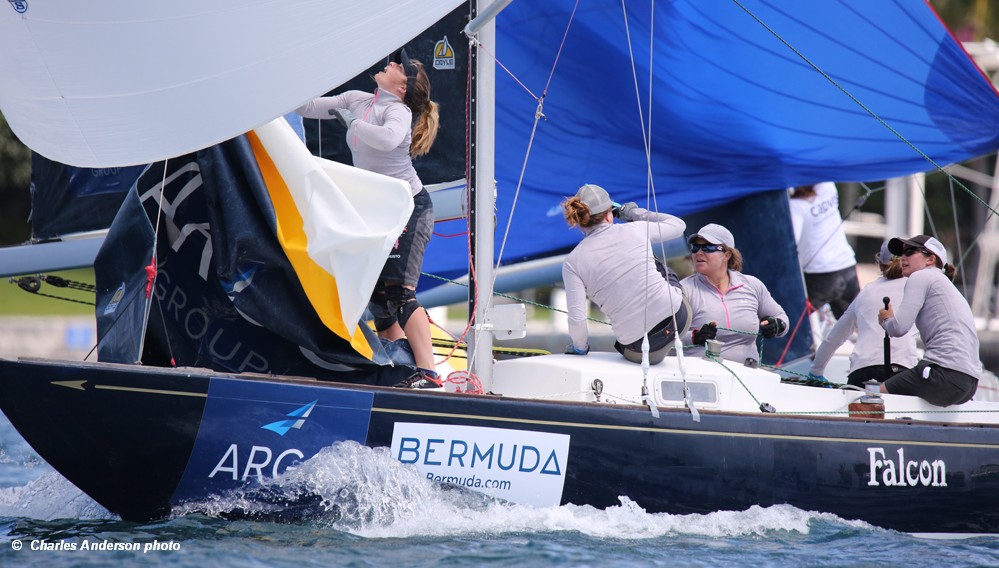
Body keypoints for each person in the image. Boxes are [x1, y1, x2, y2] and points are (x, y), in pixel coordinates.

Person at [296, 48, 441, 388]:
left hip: (411, 208)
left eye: (399, 66)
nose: (391, 63)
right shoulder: (357, 99)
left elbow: (388, 140)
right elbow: (305, 107)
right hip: (381, 211)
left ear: (402, 88)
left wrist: (353, 122)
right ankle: (398, 365)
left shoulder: (398, 111)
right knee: (378, 297)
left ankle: (430, 374)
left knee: (400, 292)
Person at [561, 184, 687, 365]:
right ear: (609, 214)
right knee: (655, 263)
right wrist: (635, 213)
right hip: (678, 321)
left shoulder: (572, 262)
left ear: (581, 222)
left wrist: (580, 348)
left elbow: (577, 319)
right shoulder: (636, 229)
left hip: (636, 347)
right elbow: (679, 226)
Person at [878, 235, 980, 406]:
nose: (902, 257)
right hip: (968, 383)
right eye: (901, 254)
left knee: (875, 395)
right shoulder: (944, 284)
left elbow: (898, 328)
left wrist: (886, 320)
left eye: (910, 252)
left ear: (931, 259)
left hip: (943, 373)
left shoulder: (922, 276)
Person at [809, 241, 918, 387]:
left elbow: (835, 336)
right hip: (901, 372)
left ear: (880, 264)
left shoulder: (866, 292)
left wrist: (816, 372)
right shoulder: (917, 288)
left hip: (861, 372)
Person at [681, 224, 789, 364]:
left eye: (708, 247)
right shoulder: (682, 290)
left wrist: (778, 326)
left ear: (727, 255)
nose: (699, 252)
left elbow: (782, 318)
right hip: (702, 374)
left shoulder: (752, 285)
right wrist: (694, 337)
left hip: (749, 372)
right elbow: (664, 338)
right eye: (695, 247)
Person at [789, 182, 860, 318]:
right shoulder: (828, 186)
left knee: (790, 321)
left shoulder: (796, 206)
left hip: (819, 275)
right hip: (847, 265)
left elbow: (792, 242)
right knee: (856, 323)